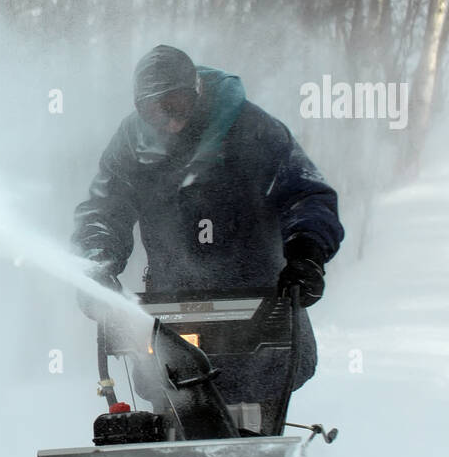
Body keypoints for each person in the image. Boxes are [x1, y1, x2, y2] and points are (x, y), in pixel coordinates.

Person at [72, 44, 344, 422]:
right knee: (174, 423)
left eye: (177, 103)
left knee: (253, 423)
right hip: (173, 316)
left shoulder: (251, 130)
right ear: (140, 109)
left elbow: (307, 193)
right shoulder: (133, 145)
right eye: (154, 110)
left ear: (196, 91)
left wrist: (307, 254)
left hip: (260, 308)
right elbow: (104, 209)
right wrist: (97, 266)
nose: (168, 120)